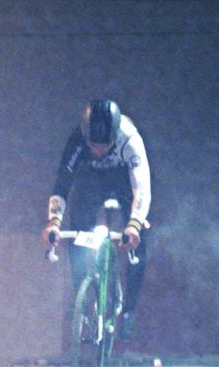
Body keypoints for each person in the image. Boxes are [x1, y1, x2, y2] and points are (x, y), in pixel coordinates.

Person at [41, 98, 151, 342]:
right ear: (85, 136)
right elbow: (62, 183)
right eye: (94, 145)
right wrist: (54, 222)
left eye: (105, 145)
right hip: (92, 181)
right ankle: (82, 298)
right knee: (76, 227)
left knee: (139, 237)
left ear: (115, 137)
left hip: (123, 181)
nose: (99, 150)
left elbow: (142, 188)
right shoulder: (77, 140)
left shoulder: (130, 138)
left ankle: (129, 308)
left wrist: (133, 224)